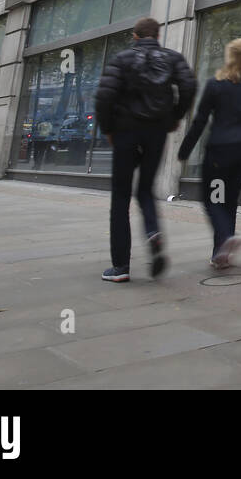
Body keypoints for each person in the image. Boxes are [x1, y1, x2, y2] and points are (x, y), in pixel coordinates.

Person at [94, 17, 197, 283]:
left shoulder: (122, 59)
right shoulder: (172, 58)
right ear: (157, 35)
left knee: (120, 197)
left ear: (135, 36)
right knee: (145, 189)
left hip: (125, 131)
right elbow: (189, 85)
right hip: (156, 131)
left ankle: (120, 267)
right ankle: (153, 231)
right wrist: (175, 115)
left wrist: (108, 129)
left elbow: (104, 95)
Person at [178, 38, 241, 269]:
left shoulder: (215, 84)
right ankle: (222, 254)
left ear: (229, 56)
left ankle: (226, 239)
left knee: (213, 199)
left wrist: (185, 149)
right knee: (229, 199)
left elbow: (199, 121)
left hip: (220, 151)